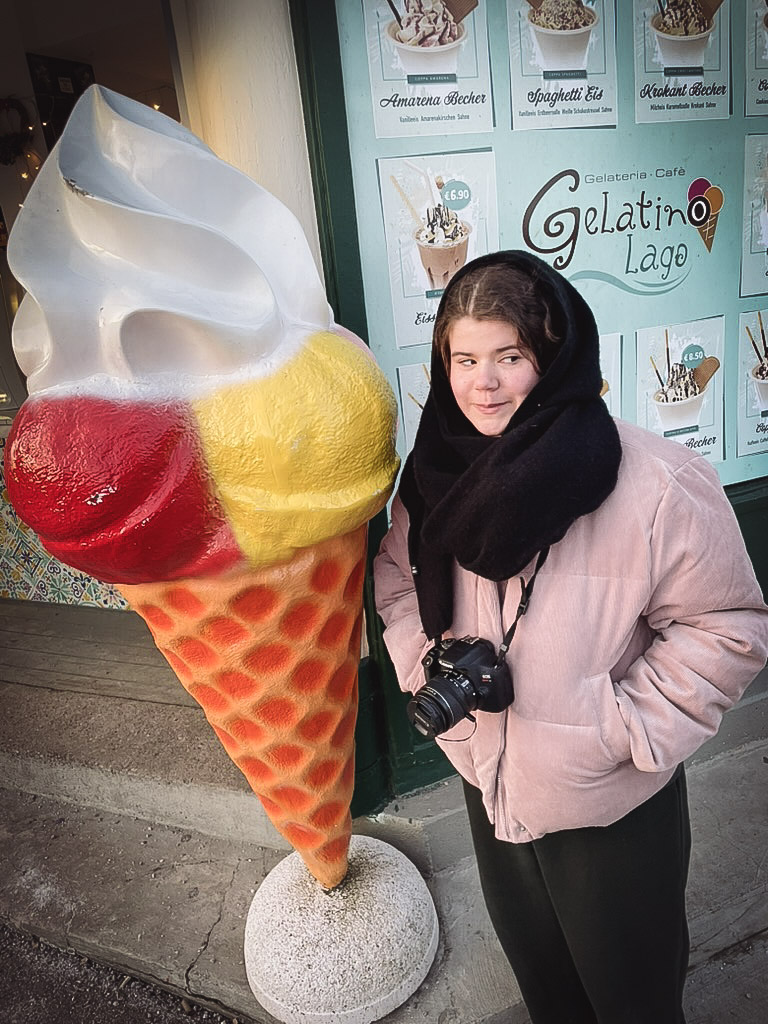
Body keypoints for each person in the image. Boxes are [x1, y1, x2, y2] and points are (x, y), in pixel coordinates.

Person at [373, 250, 768, 1024]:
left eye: (509, 357)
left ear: (553, 361)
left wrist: (619, 729)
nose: (483, 382)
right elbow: (396, 583)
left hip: (612, 805)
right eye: (464, 359)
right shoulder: (433, 479)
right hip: (492, 783)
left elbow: (727, 626)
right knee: (549, 996)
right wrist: (428, 675)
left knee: (634, 1002)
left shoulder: (655, 482)